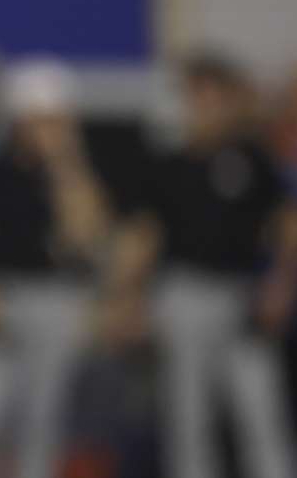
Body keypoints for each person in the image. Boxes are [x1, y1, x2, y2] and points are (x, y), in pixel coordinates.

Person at [112, 54, 297, 478]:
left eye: (212, 98)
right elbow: (143, 235)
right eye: (196, 99)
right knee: (188, 413)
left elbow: (286, 224)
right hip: (184, 293)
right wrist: (128, 297)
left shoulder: (252, 160)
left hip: (243, 295)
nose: (203, 108)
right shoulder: (169, 164)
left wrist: (281, 282)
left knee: (259, 406)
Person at [0, 59, 115, 478]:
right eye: (41, 121)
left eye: (56, 122)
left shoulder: (75, 175)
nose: (48, 131)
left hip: (56, 300)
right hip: (0, 296)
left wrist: (65, 165)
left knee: (42, 421)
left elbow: (88, 237)